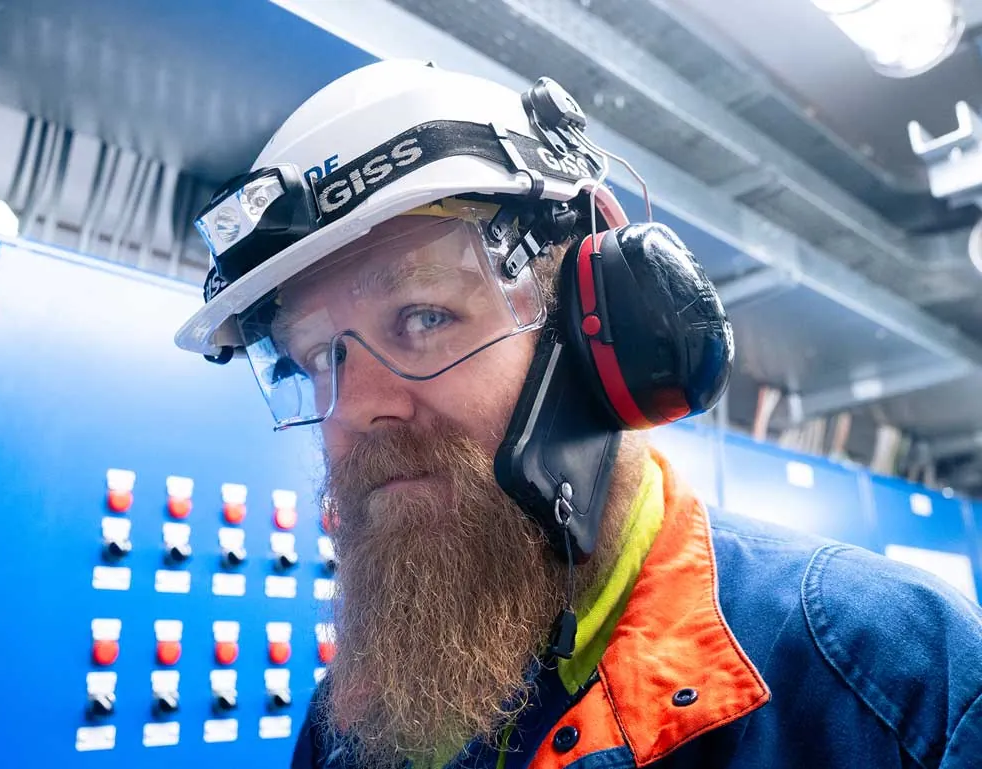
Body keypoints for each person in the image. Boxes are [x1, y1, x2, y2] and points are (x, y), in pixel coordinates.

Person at [174, 60, 982, 768]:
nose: (355, 407)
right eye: (321, 358)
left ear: (593, 319)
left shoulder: (891, 678)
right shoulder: (349, 726)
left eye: (424, 316)